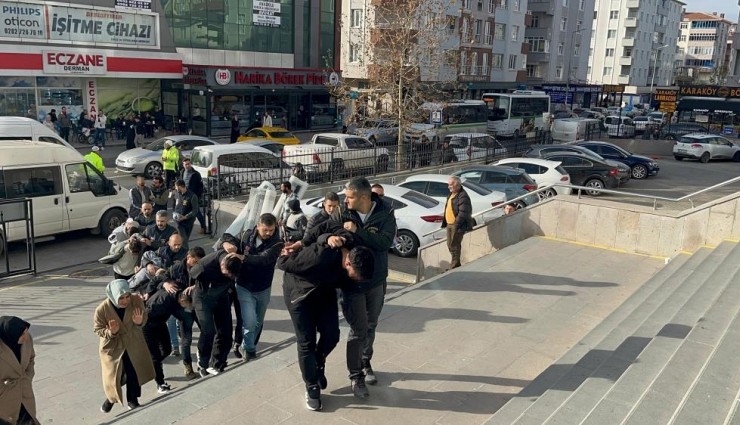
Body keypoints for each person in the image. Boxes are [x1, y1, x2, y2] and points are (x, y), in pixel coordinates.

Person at [278, 227, 375, 411]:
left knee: (332, 335)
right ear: (348, 264)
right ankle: (312, 386)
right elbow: (284, 263)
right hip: (300, 295)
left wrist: (329, 236)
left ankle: (318, 361)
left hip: (324, 292)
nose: (354, 280)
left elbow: (331, 226)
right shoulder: (318, 257)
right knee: (306, 342)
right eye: (354, 276)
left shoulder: (353, 249)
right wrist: (287, 252)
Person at [221, 214, 283, 360]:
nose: (269, 233)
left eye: (271, 230)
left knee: (258, 322)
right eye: (265, 230)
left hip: (263, 288)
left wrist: (243, 257)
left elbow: (264, 259)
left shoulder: (277, 243)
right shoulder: (246, 235)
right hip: (244, 286)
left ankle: (244, 344)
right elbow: (227, 236)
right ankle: (249, 349)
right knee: (249, 321)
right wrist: (226, 243)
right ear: (258, 226)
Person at [94, 279, 155, 413]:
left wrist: (139, 322)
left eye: (127, 296)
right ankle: (110, 399)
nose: (125, 300)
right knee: (117, 375)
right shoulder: (102, 309)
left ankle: (133, 399)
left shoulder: (136, 300)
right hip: (113, 345)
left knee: (133, 370)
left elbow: (143, 317)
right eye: (121, 298)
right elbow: (97, 329)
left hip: (132, 341)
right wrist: (110, 332)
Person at [189, 250, 241, 376]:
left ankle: (217, 363)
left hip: (221, 296)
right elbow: (191, 273)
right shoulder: (206, 264)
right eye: (227, 273)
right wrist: (190, 287)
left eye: (231, 275)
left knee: (226, 332)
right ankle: (203, 362)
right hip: (203, 298)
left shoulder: (236, 264)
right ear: (222, 265)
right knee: (208, 330)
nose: (229, 276)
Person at [142, 288, 193, 394]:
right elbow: (148, 312)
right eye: (186, 305)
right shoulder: (163, 301)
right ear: (182, 300)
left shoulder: (174, 296)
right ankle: (160, 382)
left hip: (160, 323)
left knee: (166, 349)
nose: (186, 308)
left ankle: (153, 365)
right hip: (147, 325)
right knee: (155, 355)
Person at [0, 316, 40, 425]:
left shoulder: (27, 339)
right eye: (22, 334)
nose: (26, 337)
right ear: (10, 335)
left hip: (24, 394)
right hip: (5, 400)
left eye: (26, 332)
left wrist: (28, 376)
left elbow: (31, 358)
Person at [441, 176, 473, 270]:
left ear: (457, 185)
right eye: (448, 184)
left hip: (457, 225)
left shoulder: (463, 195)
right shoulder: (452, 194)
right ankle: (455, 264)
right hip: (449, 224)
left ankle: (454, 266)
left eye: (450, 184)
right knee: (450, 244)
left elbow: (463, 213)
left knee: (454, 245)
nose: (448, 187)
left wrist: (456, 224)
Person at [180, 158, 206, 234]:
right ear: (183, 165)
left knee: (196, 212)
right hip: (184, 195)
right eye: (186, 164)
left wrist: (197, 196)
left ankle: (203, 227)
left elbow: (200, 186)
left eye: (189, 164)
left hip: (193, 195)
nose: (187, 166)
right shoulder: (182, 172)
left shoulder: (196, 174)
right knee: (184, 210)